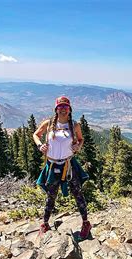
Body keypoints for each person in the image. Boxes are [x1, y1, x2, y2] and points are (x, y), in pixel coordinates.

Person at [33, 96, 92, 239]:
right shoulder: (48, 124)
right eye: (60, 107)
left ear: (70, 109)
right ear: (56, 109)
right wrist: (40, 145)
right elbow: (36, 134)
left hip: (68, 164)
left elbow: (80, 139)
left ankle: (86, 223)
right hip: (53, 165)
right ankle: (45, 223)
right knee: (51, 196)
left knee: (77, 194)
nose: (63, 110)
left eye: (66, 107)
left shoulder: (75, 125)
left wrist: (78, 146)